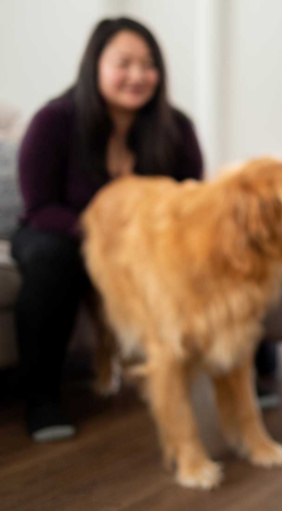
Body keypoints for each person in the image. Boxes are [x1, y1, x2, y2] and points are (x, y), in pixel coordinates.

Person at [13, 17, 203, 442]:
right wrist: (112, 240)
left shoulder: (177, 128)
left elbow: (192, 200)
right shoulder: (54, 120)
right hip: (62, 234)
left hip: (147, 246)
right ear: (95, 65)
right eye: (124, 63)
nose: (138, 75)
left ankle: (246, 369)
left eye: (148, 64)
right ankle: (41, 398)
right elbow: (41, 207)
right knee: (50, 258)